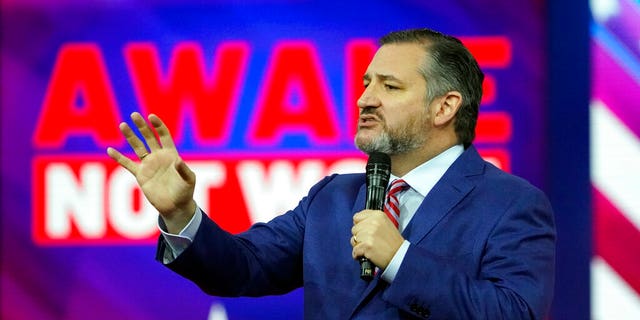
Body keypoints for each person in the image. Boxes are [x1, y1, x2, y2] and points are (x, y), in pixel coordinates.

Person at [107, 28, 555, 319]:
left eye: (389, 86)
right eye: (366, 83)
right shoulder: (335, 197)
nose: (365, 99)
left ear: (445, 107)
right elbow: (243, 268)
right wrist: (182, 213)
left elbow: (515, 314)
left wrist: (399, 258)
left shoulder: (511, 204)